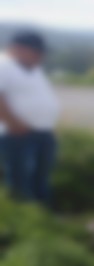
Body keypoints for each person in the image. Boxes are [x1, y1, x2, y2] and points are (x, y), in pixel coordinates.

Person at [0, 30, 59, 205]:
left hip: (41, 133)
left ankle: (41, 216)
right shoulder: (4, 66)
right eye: (37, 52)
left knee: (41, 179)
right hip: (18, 135)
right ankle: (23, 221)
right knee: (21, 181)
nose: (40, 56)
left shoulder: (33, 69)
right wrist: (15, 124)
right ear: (19, 49)